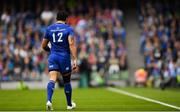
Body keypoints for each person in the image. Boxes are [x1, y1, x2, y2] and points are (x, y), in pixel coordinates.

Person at [41, 11, 77, 110]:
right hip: (64, 57)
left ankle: (49, 100)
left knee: (52, 78)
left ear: (56, 18)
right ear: (66, 19)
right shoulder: (68, 29)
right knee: (66, 81)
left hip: (53, 57)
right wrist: (75, 59)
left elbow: (43, 46)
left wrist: (50, 50)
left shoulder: (49, 29)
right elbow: (71, 44)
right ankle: (69, 105)